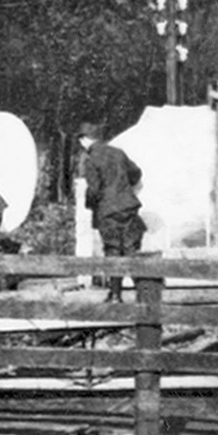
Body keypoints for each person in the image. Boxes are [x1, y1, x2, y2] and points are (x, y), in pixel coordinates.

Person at [77, 122, 145, 302]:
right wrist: (122, 189)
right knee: (131, 251)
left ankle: (115, 295)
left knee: (113, 251)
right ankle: (144, 294)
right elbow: (136, 173)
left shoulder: (91, 159)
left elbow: (94, 190)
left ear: (84, 140)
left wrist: (90, 205)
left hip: (108, 212)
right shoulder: (118, 152)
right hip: (128, 207)